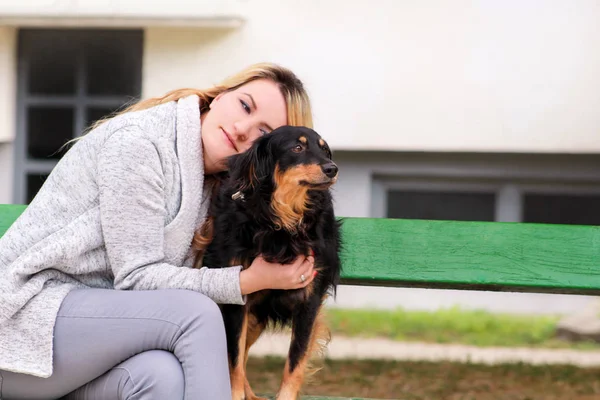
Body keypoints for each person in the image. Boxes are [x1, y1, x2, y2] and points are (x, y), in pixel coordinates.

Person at [0, 62, 317, 400]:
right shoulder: (141, 143)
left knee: (161, 377)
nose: (242, 128)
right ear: (221, 95)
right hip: (22, 324)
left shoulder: (223, 188)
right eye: (244, 105)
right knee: (196, 315)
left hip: (76, 354)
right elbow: (137, 278)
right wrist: (246, 281)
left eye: (262, 132)